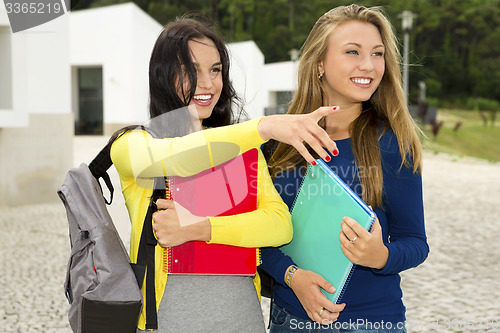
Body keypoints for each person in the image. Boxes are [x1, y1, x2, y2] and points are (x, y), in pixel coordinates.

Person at [109, 16, 340, 332]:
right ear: (163, 75)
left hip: (241, 317)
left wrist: (199, 227)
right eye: (190, 70)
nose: (207, 83)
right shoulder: (132, 143)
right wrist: (263, 126)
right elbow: (177, 158)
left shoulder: (244, 148)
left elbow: (279, 225)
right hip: (167, 320)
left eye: (215, 70)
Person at [260, 4, 429, 332]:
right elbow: (259, 238)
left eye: (377, 54)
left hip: (373, 322)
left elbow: (415, 242)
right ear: (319, 63)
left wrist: (380, 256)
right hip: (289, 319)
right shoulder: (277, 144)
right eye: (353, 51)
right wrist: (291, 276)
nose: (369, 65)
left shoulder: (394, 144)